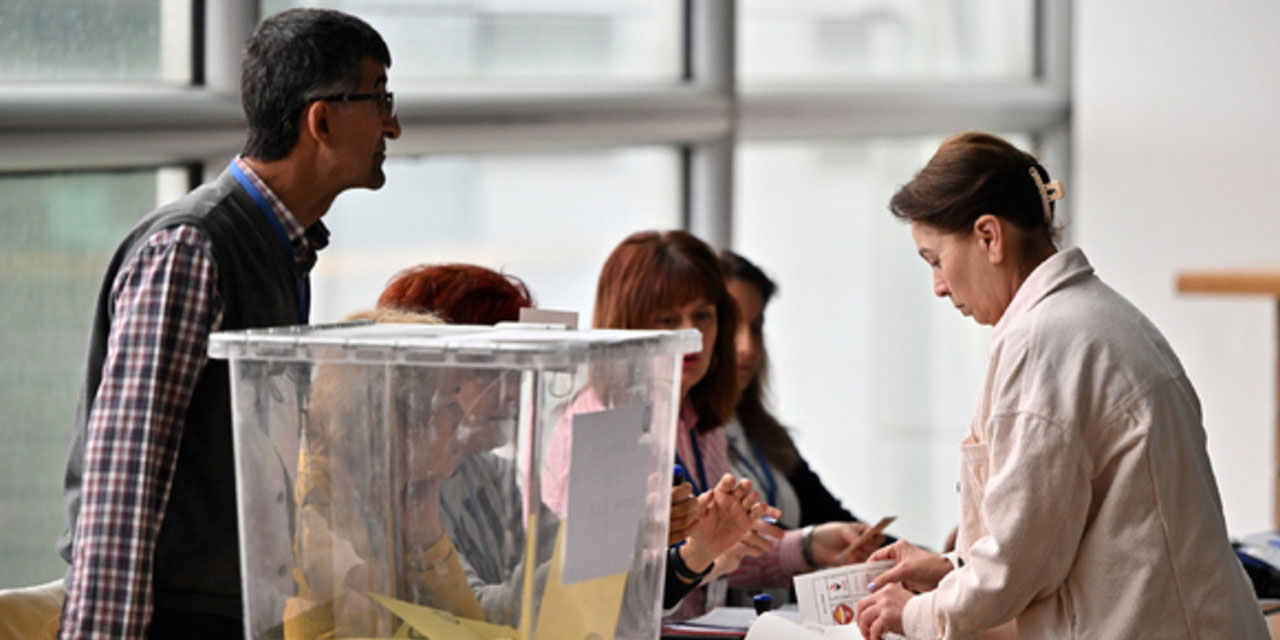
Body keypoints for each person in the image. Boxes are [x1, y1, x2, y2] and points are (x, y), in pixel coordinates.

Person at [56, 8, 402, 638]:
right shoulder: (193, 247)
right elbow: (124, 485)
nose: (394, 126)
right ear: (321, 120)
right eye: (379, 100)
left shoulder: (281, 249)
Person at [854, 132, 1267, 639]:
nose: (938, 286)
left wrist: (915, 614)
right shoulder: (1099, 315)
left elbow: (1017, 563)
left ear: (989, 237)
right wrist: (952, 568)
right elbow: (1055, 532)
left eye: (935, 259)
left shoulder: (1046, 341)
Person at [377, 262, 762, 617]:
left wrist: (696, 553)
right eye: (494, 372)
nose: (515, 390)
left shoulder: (489, 472)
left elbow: (587, 594)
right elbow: (486, 616)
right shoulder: (400, 491)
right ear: (430, 378)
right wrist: (619, 531)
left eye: (520, 370)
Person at [543, 231, 885, 620]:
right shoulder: (598, 429)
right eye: (668, 320)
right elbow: (595, 593)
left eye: (703, 316)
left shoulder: (695, 419)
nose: (691, 337)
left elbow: (724, 554)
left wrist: (807, 546)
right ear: (629, 325)